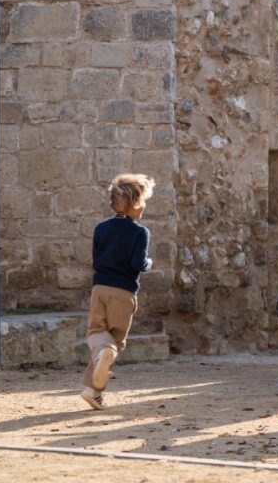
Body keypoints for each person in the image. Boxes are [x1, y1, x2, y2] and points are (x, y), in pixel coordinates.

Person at [80, 173, 155, 411]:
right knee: (113, 344)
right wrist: (149, 263)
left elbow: (96, 257)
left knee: (96, 334)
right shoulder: (140, 233)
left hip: (99, 288)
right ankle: (94, 388)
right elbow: (137, 263)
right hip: (123, 293)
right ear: (135, 204)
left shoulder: (101, 228)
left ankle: (92, 391)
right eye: (143, 202)